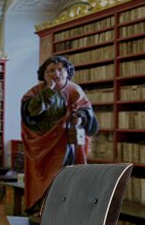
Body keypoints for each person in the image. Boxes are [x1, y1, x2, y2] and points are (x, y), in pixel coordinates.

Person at [21, 55, 98, 216]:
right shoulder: (36, 91)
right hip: (42, 142)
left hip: (65, 142)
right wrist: (48, 92)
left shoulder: (74, 90)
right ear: (44, 74)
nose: (56, 74)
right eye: (51, 71)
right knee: (44, 177)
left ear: (67, 71)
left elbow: (87, 114)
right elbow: (30, 112)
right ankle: (42, 208)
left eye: (60, 69)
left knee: (63, 174)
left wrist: (80, 117)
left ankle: (62, 210)